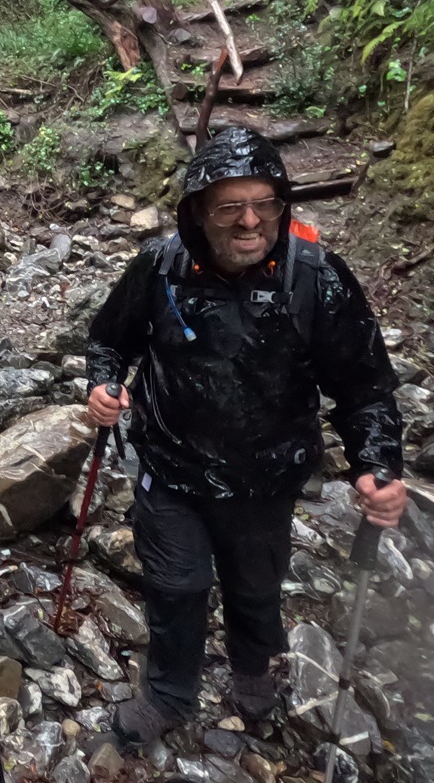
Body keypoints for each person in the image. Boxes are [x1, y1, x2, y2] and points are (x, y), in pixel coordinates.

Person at [84, 127, 407, 744]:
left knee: (256, 582)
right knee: (176, 584)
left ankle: (253, 666)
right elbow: (109, 338)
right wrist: (104, 384)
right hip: (171, 463)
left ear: (283, 206)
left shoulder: (318, 278)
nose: (249, 221)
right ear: (199, 211)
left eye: (264, 203)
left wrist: (376, 465)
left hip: (269, 473)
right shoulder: (159, 267)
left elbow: (365, 387)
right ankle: (169, 692)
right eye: (230, 206)